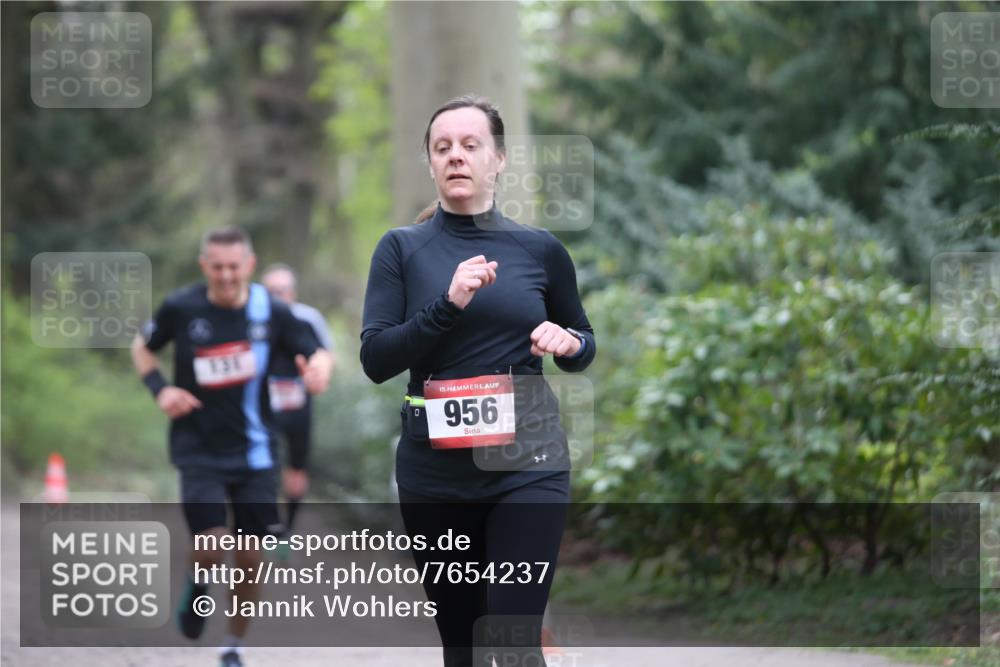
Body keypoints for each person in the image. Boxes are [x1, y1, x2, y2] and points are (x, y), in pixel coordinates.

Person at [361, 94, 596, 667]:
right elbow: (376, 359)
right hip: (435, 472)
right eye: (443, 148)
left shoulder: (539, 249)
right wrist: (448, 303)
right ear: (431, 163)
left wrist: (571, 345)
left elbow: (583, 341)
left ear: (499, 159)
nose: (456, 157)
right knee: (463, 645)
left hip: (528, 463)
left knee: (515, 640)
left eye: (471, 146)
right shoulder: (402, 249)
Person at [131, 227, 332, 667]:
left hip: (257, 452)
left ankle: (232, 646)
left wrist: (319, 369)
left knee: (249, 554)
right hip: (198, 447)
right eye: (216, 267)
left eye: (233, 266)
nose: (225, 276)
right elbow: (142, 349)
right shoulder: (182, 307)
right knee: (211, 543)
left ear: (249, 265)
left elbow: (318, 350)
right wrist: (161, 390)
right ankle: (197, 581)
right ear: (205, 266)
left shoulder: (270, 311)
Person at [260, 263, 336, 535]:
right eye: (272, 291)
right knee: (262, 466)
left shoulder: (308, 318)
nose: (279, 295)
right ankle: (263, 524)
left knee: (296, 467)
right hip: (261, 405)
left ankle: (286, 530)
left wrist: (319, 375)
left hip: (299, 404)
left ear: (293, 292)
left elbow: (326, 355)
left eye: (284, 290)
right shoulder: (253, 319)